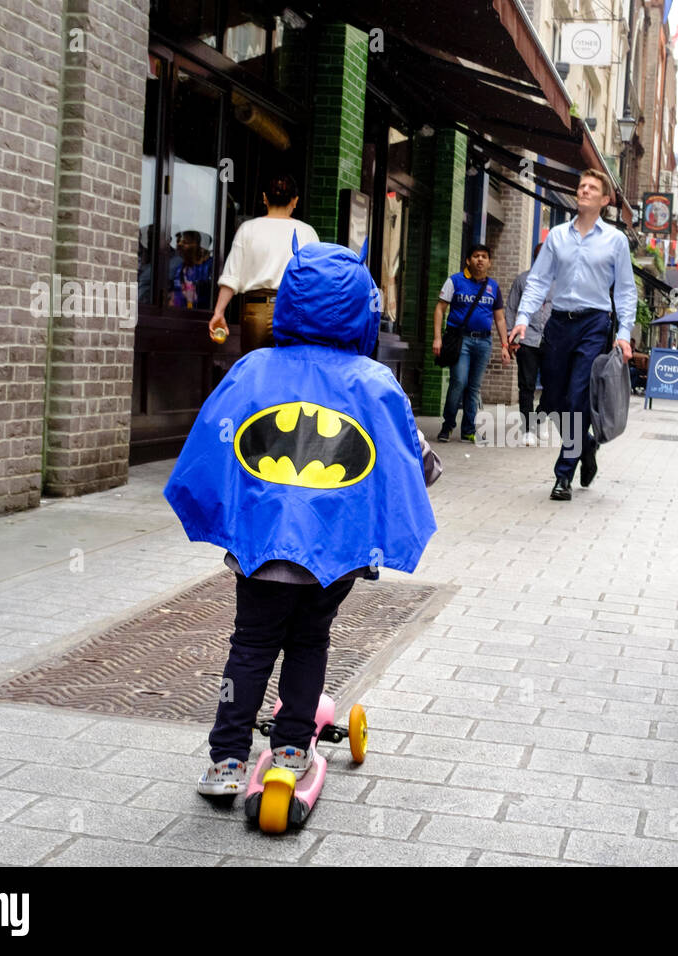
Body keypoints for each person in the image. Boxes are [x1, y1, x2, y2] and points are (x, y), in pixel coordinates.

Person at [164, 242, 440, 801]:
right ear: (363, 309)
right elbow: (415, 461)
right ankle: (291, 747)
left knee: (250, 645)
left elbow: (207, 449)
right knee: (310, 640)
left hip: (261, 547)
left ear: (288, 302)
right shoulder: (374, 383)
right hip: (332, 555)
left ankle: (226, 760)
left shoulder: (253, 370)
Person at [511, 169, 637, 500]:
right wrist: (523, 317)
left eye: (592, 187)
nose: (584, 190)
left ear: (605, 200)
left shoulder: (615, 241)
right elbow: (538, 280)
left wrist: (623, 333)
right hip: (558, 324)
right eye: (581, 186)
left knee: (578, 398)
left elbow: (625, 291)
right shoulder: (557, 236)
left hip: (594, 324)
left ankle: (563, 475)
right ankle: (587, 444)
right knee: (552, 400)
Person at [208, 173, 319, 353]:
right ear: (295, 201)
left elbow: (231, 275)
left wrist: (219, 312)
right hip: (292, 309)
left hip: (256, 310)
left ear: (265, 198)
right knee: (289, 372)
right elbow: (315, 280)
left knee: (255, 371)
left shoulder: (248, 229)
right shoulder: (307, 232)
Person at [431, 244, 510, 443]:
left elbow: (499, 318)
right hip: (461, 340)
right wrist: (437, 337)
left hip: (484, 342)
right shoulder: (455, 281)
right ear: (468, 260)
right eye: (476, 256)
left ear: (489, 262)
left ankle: (468, 429)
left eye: (484, 256)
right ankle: (447, 425)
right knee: (459, 381)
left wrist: (504, 345)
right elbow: (440, 309)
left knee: (474, 387)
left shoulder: (493, 287)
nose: (480, 260)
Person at [505, 243, 553, 445]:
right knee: (526, 386)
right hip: (527, 340)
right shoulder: (522, 280)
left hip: (553, 342)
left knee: (553, 387)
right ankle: (527, 429)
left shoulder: (561, 283)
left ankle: (540, 420)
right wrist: (511, 337)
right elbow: (510, 308)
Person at [170, 230, 214, 309]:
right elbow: (175, 294)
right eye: (179, 242)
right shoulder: (181, 268)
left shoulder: (211, 266)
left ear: (198, 246)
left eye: (185, 242)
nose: (179, 245)